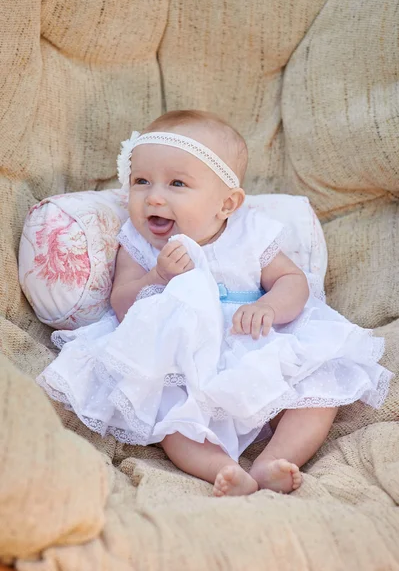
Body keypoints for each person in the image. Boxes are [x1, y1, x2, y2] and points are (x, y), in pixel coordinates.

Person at [37, 110, 392, 497]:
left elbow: (293, 282)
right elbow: (122, 304)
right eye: (141, 181)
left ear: (226, 204)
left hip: (254, 338)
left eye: (177, 183)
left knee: (321, 388)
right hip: (179, 354)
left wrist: (270, 307)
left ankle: (273, 460)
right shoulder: (137, 244)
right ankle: (220, 468)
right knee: (167, 414)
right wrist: (156, 278)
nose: (153, 196)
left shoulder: (251, 233)